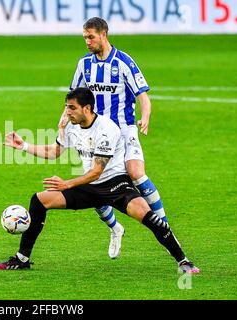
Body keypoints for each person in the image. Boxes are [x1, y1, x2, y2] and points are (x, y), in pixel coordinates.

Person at [0, 88, 199, 274]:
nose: (67, 112)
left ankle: (183, 261)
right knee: (39, 200)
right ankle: (21, 259)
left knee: (150, 218)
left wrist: (67, 184)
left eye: (72, 108)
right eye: (66, 108)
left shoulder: (107, 129)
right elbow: (54, 152)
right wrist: (23, 146)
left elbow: (97, 172)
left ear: (87, 108)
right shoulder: (70, 126)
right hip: (89, 187)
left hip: (116, 185)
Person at [68, 17, 168, 259]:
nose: (87, 42)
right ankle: (115, 228)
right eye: (85, 37)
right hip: (97, 132)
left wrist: (145, 117)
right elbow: (74, 96)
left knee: (136, 173)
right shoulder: (84, 64)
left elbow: (143, 95)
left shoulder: (123, 62)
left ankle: (165, 228)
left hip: (124, 128)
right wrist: (64, 117)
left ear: (104, 34)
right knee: (93, 183)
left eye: (91, 37)